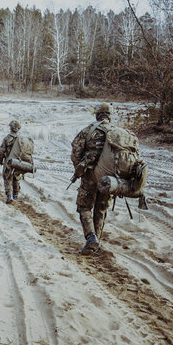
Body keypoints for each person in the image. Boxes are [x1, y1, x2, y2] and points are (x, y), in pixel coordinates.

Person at [71, 103, 114, 254]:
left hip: (90, 176)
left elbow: (76, 151)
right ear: (110, 115)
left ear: (97, 115)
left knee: (84, 207)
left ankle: (91, 238)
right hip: (109, 179)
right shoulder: (118, 132)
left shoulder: (89, 130)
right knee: (101, 209)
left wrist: (80, 169)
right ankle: (96, 243)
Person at [0, 120, 21, 203]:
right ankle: (16, 195)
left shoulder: (7, 138)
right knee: (16, 178)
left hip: (9, 161)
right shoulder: (21, 139)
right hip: (18, 162)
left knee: (7, 178)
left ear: (11, 128)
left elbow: (1, 151)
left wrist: (0, 160)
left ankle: (9, 196)